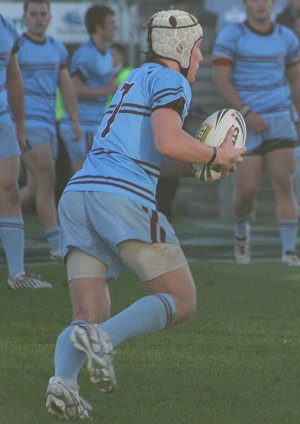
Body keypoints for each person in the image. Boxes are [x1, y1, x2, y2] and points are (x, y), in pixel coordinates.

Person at [45, 9, 245, 420]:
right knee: (182, 299)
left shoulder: (133, 78)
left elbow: (155, 150)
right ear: (182, 47)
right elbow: (168, 139)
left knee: (86, 314)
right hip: (121, 197)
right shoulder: (172, 80)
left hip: (80, 194)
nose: (202, 58)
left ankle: (63, 383)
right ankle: (103, 339)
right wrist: (216, 153)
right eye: (199, 48)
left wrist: (200, 165)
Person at [212, 0, 300, 266]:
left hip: (280, 118)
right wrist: (247, 112)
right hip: (245, 121)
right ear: (245, 3)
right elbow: (220, 80)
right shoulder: (231, 34)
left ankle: (288, 251)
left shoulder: (287, 37)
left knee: (285, 184)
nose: (261, 4)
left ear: (273, 4)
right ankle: (241, 233)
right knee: (247, 190)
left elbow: (296, 79)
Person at [18, 0, 81, 261]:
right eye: (33, 14)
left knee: (34, 188)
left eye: (43, 14)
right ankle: (57, 245)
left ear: (50, 17)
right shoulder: (16, 47)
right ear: (24, 17)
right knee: (47, 178)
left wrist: (74, 119)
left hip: (48, 123)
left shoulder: (56, 47)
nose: (39, 18)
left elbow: (66, 87)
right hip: (26, 121)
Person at [0, 14, 52, 289]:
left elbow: (13, 77)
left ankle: (17, 275)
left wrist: (20, 124)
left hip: (3, 122)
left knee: (8, 189)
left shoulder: (7, 26)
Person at [60, 5, 117, 173]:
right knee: (82, 179)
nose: (116, 27)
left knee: (96, 179)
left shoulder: (106, 53)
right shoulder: (86, 54)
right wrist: (106, 91)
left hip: (95, 124)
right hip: (82, 125)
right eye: (111, 23)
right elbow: (73, 88)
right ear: (98, 27)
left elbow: (107, 85)